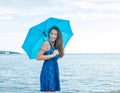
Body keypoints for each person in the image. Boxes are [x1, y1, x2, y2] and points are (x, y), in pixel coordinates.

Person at [36, 26, 64, 93]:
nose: (53, 36)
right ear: (49, 34)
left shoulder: (55, 45)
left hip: (54, 70)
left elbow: (58, 57)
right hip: (48, 71)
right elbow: (38, 57)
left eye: (55, 34)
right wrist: (52, 55)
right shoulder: (46, 43)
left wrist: (58, 52)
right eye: (52, 33)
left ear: (58, 36)